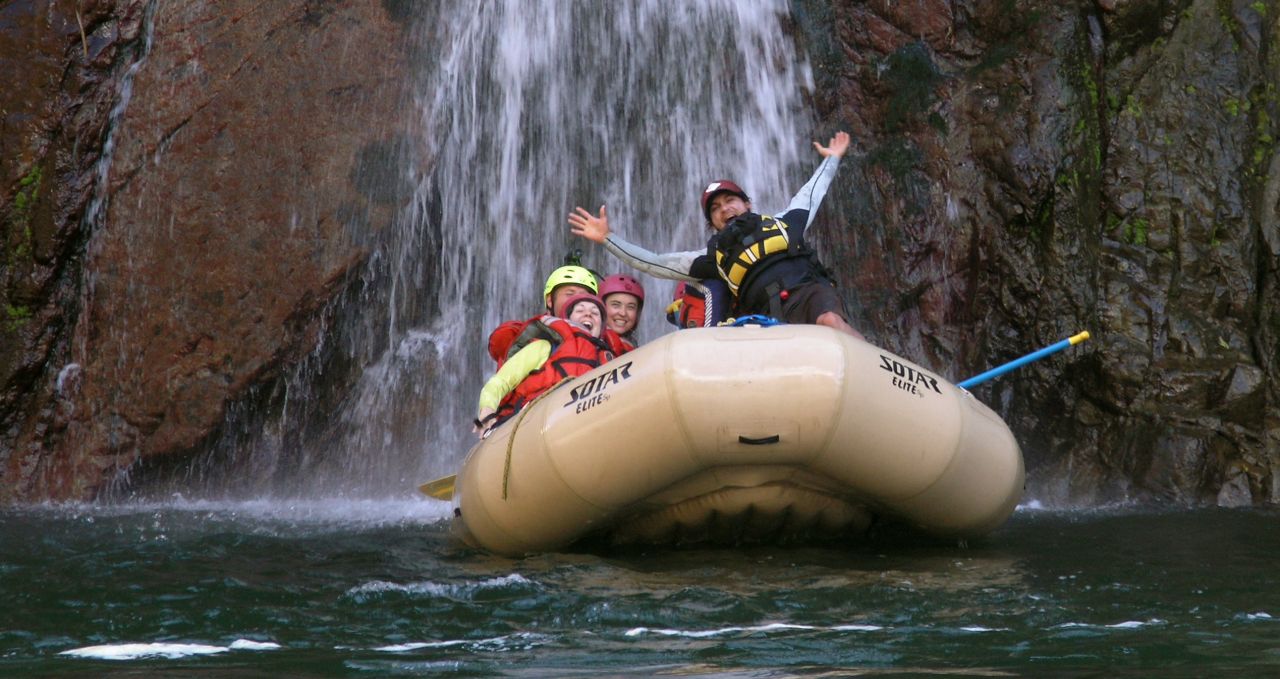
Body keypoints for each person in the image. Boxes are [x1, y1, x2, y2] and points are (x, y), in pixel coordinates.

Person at [568, 132, 863, 339]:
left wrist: (832, 158)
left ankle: (872, 371)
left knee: (829, 321)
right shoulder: (712, 259)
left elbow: (811, 193)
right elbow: (654, 263)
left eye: (730, 201)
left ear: (747, 203)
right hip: (762, 318)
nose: (725, 209)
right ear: (713, 223)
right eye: (716, 209)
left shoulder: (785, 223)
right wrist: (608, 238)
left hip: (807, 291)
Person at [475, 294, 625, 436]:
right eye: (580, 310)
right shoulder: (544, 347)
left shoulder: (609, 362)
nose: (588, 314)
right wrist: (487, 411)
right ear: (567, 319)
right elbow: (500, 382)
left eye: (595, 313)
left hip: (588, 426)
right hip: (532, 423)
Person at [488, 264, 601, 368]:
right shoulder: (530, 341)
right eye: (570, 294)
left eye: (584, 296)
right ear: (550, 301)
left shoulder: (605, 343)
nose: (576, 300)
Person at [597, 274, 645, 349]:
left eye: (630, 307)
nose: (623, 313)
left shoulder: (633, 345)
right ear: (601, 306)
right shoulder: (588, 342)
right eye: (616, 305)